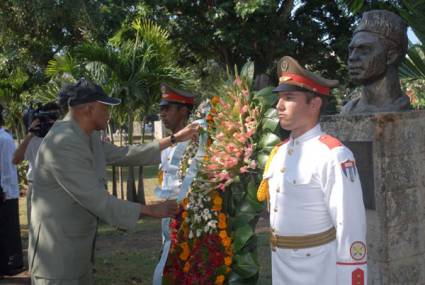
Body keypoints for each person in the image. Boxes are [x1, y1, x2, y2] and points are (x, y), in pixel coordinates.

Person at [28, 79, 200, 285]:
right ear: (88, 109)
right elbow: (97, 200)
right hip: (57, 258)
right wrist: (151, 210)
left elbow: (125, 154)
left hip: (76, 250)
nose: (109, 114)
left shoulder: (85, 135)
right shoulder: (64, 143)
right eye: (105, 107)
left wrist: (175, 139)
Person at [258, 56, 367, 284]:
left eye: (288, 98)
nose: (278, 106)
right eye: (279, 98)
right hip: (281, 268)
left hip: (318, 272)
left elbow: (350, 226)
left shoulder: (334, 155)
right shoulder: (278, 153)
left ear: (314, 104)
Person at [152, 84, 195, 284]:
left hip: (189, 224)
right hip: (168, 221)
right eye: (162, 108)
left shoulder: (196, 144)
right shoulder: (167, 144)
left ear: (184, 110)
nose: (162, 113)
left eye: (167, 108)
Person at [341, 10, 410, 114]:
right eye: (351, 50)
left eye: (364, 50)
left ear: (391, 56)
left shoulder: (406, 113)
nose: (352, 57)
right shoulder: (347, 111)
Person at [12, 102, 61, 226]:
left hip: (59, 186)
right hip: (36, 186)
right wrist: (30, 134)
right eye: (49, 118)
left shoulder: (63, 135)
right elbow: (16, 160)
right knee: (35, 229)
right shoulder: (34, 137)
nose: (52, 122)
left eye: (55, 118)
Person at [0, 104, 24, 277]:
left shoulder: (5, 139)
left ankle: (12, 263)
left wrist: (5, 190)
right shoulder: (5, 138)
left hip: (6, 191)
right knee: (7, 231)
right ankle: (9, 264)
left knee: (8, 230)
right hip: (5, 191)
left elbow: (7, 168)